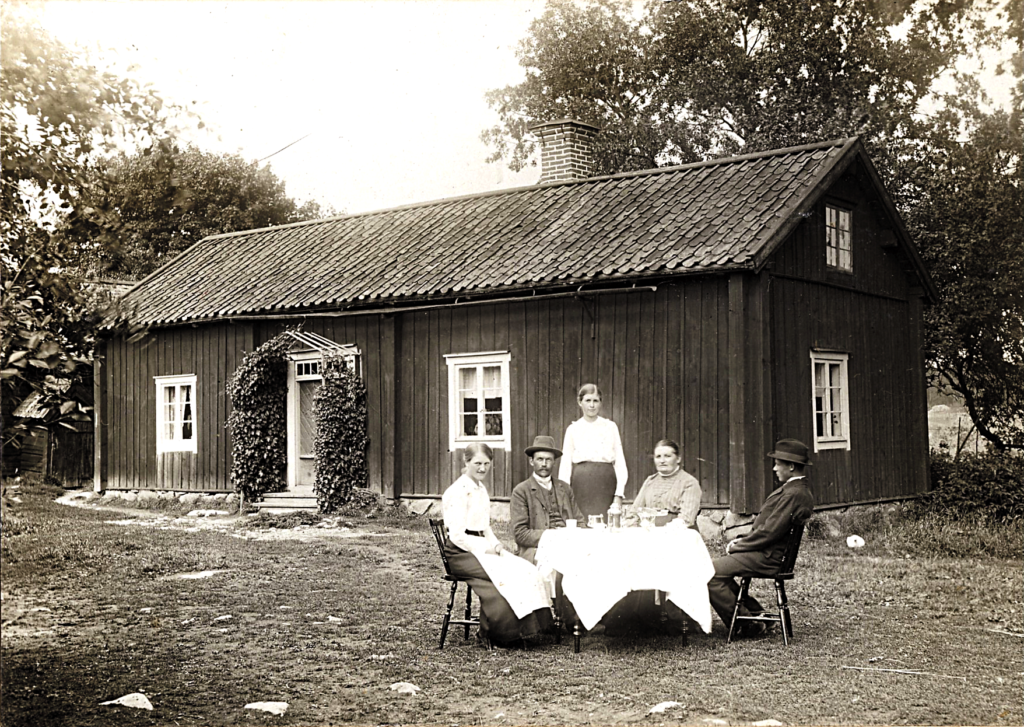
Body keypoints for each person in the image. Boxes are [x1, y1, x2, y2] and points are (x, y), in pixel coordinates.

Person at [441, 443, 554, 647]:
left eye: (486, 463)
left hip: (479, 546)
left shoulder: (480, 488)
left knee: (524, 568)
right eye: (477, 463)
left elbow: (485, 527)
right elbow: (457, 536)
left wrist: (497, 545)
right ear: (466, 462)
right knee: (505, 576)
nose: (482, 468)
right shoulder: (457, 491)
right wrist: (486, 549)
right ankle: (497, 633)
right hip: (460, 553)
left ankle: (518, 629)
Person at [706, 438, 814, 636]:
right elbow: (767, 530)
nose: (774, 469)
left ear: (791, 467)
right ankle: (755, 614)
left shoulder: (793, 494)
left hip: (769, 557)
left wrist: (740, 546)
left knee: (708, 573)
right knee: (715, 571)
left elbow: (770, 533)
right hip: (767, 552)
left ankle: (748, 625)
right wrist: (743, 540)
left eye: (778, 464)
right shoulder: (795, 490)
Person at [511, 435, 584, 565]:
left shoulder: (565, 488)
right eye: (540, 459)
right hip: (537, 549)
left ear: (554, 462)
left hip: (569, 546)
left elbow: (580, 521)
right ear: (531, 461)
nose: (544, 464)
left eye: (548, 460)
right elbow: (520, 534)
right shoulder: (521, 491)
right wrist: (553, 537)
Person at [558, 383, 627, 517]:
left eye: (596, 400)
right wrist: (564, 494)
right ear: (580, 402)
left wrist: (619, 494)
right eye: (587, 400)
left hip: (606, 485)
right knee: (582, 526)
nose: (592, 405)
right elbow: (565, 466)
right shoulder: (573, 429)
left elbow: (620, 462)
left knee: (606, 526)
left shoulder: (610, 427)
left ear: (600, 403)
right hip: (581, 485)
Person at [624, 439, 701, 528]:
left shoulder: (689, 482)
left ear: (678, 459)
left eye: (667, 456)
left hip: (678, 533)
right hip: (649, 532)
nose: (662, 461)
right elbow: (635, 512)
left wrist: (662, 532)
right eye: (658, 457)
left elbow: (686, 518)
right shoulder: (650, 481)